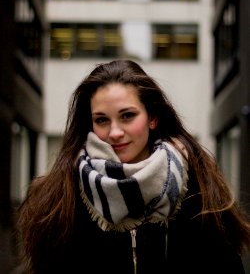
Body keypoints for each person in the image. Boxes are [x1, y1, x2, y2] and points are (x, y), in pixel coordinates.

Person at [17, 59, 250, 274]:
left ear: (152, 118)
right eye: (102, 120)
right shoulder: (61, 196)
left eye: (127, 116)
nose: (115, 132)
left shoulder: (198, 188)